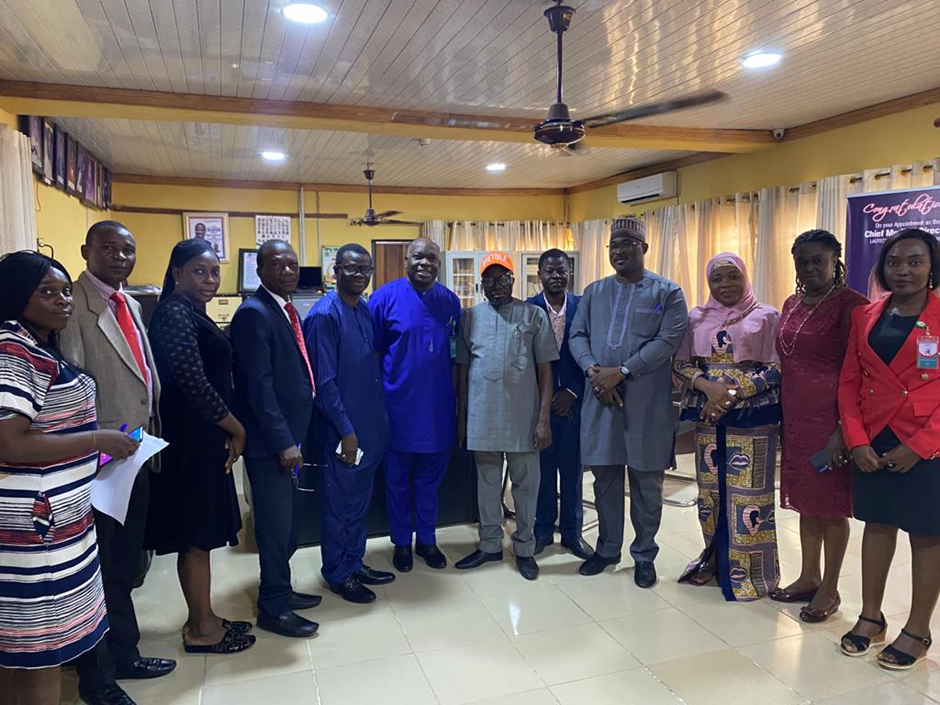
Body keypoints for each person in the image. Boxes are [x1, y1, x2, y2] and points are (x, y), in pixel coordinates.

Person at [0, 252, 138, 705]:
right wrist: (97, 439)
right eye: (47, 292)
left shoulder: (37, 343)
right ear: (16, 296)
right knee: (41, 650)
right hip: (35, 527)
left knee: (26, 653)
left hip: (59, 516)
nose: (63, 300)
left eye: (64, 291)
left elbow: (49, 426)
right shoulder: (12, 349)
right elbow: (9, 442)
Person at [58, 221, 176, 705]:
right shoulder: (73, 306)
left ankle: (125, 651)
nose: (120, 257)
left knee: (126, 561)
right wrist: (98, 448)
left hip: (135, 452)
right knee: (101, 568)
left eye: (128, 250)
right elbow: (73, 391)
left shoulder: (128, 302)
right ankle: (98, 677)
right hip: (99, 461)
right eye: (109, 248)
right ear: (85, 250)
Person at [146, 240, 255, 654]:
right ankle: (201, 631)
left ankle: (202, 616)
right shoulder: (174, 313)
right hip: (189, 446)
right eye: (199, 271)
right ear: (177, 273)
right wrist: (237, 428)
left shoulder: (190, 311)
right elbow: (194, 385)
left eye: (214, 272)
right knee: (195, 537)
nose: (210, 280)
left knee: (200, 537)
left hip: (202, 439)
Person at [838, 229, 940, 671]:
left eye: (915, 261)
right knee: (877, 525)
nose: (904, 270)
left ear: (931, 267)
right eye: (894, 262)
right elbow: (849, 381)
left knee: (926, 535)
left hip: (927, 441)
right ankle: (870, 616)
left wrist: (919, 446)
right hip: (874, 437)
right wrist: (856, 439)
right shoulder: (865, 315)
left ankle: (917, 630)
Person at [569, 217, 688, 589]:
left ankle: (644, 555)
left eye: (628, 244)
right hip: (600, 400)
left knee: (646, 482)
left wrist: (620, 371)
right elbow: (577, 335)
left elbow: (667, 343)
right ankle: (607, 549)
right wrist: (593, 372)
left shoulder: (668, 292)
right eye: (614, 245)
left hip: (646, 404)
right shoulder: (594, 291)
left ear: (644, 248)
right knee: (604, 478)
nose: (620, 251)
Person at [772, 230, 868, 622]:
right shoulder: (792, 302)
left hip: (831, 421)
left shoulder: (852, 305)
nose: (809, 268)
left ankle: (829, 588)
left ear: (835, 261)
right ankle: (808, 575)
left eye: (818, 261)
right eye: (802, 261)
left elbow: (861, 370)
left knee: (831, 507)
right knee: (806, 501)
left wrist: (844, 429)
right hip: (795, 418)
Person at [674, 252, 781, 601]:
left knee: (748, 497)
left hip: (752, 417)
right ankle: (715, 559)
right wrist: (709, 388)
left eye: (732, 276)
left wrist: (732, 392)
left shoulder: (766, 315)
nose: (725, 285)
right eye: (717, 279)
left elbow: (777, 367)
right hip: (709, 415)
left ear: (745, 277)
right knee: (711, 494)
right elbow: (681, 364)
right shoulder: (696, 317)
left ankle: (751, 572)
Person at [230, 239, 321, 639]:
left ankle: (281, 589)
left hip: (292, 439)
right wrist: (284, 441)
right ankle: (273, 607)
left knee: (289, 525)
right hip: (272, 447)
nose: (287, 271)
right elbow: (258, 387)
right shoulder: (254, 313)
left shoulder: (282, 309)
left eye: (292, 265)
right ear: (260, 270)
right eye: (277, 264)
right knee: (273, 527)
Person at [454, 252, 557, 581]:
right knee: (486, 484)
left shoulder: (533, 315)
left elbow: (545, 371)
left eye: (503, 278)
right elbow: (462, 370)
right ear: (481, 284)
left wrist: (543, 419)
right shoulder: (470, 317)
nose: (496, 285)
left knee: (526, 485)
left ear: (513, 280)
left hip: (523, 418)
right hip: (482, 415)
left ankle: (525, 548)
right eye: (489, 279)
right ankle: (489, 544)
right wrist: (461, 419)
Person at [305, 244, 394, 602]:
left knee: (359, 501)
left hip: (369, 426)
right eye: (352, 268)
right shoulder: (324, 316)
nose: (359, 275)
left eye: (365, 269)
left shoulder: (363, 309)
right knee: (339, 504)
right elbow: (324, 383)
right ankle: (337, 572)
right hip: (343, 431)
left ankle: (354, 561)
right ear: (336, 271)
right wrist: (347, 431)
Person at [369, 237, 461, 572]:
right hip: (397, 409)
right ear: (406, 260)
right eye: (418, 257)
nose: (425, 263)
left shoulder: (450, 301)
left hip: (438, 411)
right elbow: (372, 354)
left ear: (439, 263)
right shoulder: (383, 299)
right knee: (396, 482)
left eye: (432, 258)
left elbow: (456, 356)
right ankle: (400, 542)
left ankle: (426, 540)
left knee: (428, 482)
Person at [527, 249, 592, 559]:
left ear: (569, 273)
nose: (556, 276)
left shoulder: (584, 307)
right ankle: (542, 531)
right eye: (549, 271)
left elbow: (593, 351)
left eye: (561, 270)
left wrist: (574, 392)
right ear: (539, 274)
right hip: (538, 406)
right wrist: (544, 397)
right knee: (542, 472)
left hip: (574, 405)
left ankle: (571, 533)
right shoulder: (528, 309)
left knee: (572, 473)